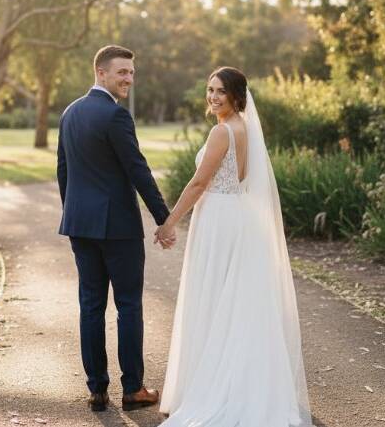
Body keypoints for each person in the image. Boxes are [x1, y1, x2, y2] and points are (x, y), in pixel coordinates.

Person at [154, 67, 312, 426]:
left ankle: (214, 388)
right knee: (235, 301)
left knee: (213, 296)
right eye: (210, 90)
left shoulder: (222, 131)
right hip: (237, 217)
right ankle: (241, 381)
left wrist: (169, 221)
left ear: (237, 95)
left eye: (220, 91)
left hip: (218, 221)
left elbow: (198, 184)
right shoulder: (246, 128)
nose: (213, 97)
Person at [57, 45, 170, 412]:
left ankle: (97, 390)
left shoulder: (70, 113)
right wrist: (163, 218)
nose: (128, 79)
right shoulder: (115, 116)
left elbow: (64, 173)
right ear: (100, 73)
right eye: (122, 72)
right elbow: (138, 170)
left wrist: (75, 213)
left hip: (80, 226)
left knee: (90, 306)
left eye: (132, 73)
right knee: (128, 306)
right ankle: (133, 390)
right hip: (118, 228)